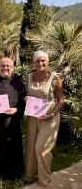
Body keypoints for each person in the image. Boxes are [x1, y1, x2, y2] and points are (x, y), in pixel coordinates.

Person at [24, 50, 64, 187]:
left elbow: (61, 100)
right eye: (37, 61)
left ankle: (44, 180)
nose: (40, 63)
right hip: (32, 116)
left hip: (49, 118)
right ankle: (30, 176)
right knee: (30, 147)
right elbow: (28, 95)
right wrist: (26, 100)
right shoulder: (28, 77)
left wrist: (52, 114)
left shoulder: (55, 78)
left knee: (42, 148)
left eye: (43, 61)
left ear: (48, 62)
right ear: (33, 62)